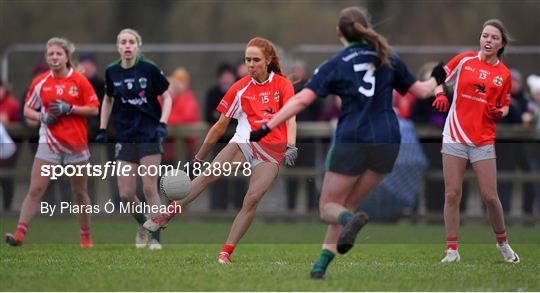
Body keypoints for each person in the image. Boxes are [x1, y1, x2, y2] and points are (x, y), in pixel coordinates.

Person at [249, 6, 446, 278]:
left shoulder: (337, 63)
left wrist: (268, 125)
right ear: (367, 27)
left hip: (353, 138)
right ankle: (320, 266)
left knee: (329, 208)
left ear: (339, 32)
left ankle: (348, 222)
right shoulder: (388, 58)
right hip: (388, 140)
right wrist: (438, 75)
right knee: (347, 204)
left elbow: (302, 99)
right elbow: (423, 91)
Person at [143, 37, 298, 264]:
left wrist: (291, 144)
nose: (251, 64)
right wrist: (199, 156)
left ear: (268, 60)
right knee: (208, 175)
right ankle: (168, 213)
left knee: (252, 199)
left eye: (256, 60)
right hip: (244, 143)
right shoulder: (239, 87)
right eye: (247, 60)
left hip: (272, 151)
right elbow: (219, 127)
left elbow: (291, 118)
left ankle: (225, 253)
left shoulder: (283, 85)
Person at [431, 19, 520, 263]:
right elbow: (437, 74)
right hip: (454, 135)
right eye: (485, 36)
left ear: (501, 45)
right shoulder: (464, 60)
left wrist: (498, 113)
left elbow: (505, 108)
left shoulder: (504, 75)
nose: (488, 40)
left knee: (490, 196)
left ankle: (503, 244)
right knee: (452, 194)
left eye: (494, 37)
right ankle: (452, 251)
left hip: (482, 139)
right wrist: (439, 92)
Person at [5, 37, 99, 247]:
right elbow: (27, 109)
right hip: (49, 142)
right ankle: (19, 234)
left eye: (58, 54)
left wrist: (70, 109)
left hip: (76, 145)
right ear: (46, 58)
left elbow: (94, 108)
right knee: (35, 189)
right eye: (51, 54)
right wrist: (42, 117)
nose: (54, 57)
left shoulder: (80, 81)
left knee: (79, 192)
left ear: (67, 57)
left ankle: (86, 236)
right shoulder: (40, 82)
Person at [96, 29, 172, 250]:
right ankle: (144, 225)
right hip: (125, 135)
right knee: (126, 193)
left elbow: (167, 97)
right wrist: (102, 127)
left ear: (138, 46)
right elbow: (108, 100)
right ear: (118, 47)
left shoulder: (148, 68)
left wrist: (163, 124)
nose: (127, 45)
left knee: (149, 188)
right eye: (123, 42)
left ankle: (156, 237)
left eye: (131, 42)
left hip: (149, 134)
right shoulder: (112, 71)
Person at [204, 63, 247, 210]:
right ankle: (217, 207)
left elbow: (238, 116)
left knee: (239, 176)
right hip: (218, 143)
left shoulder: (239, 92)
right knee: (215, 175)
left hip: (237, 142)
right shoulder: (213, 92)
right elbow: (209, 116)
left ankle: (239, 206)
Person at [0, 79, 21, 211]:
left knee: (7, 180)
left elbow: (21, 128)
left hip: (8, 152)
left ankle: (7, 209)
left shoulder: (12, 105)